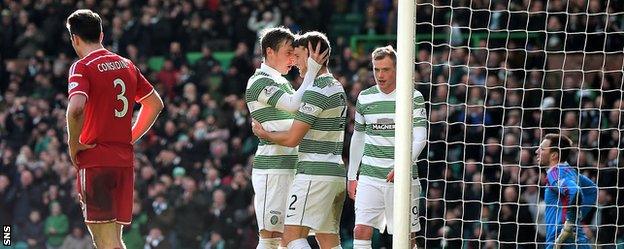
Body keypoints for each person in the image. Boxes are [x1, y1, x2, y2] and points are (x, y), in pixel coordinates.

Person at [65, 9, 164, 249]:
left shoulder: (82, 67)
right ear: (101, 34)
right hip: (123, 161)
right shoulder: (127, 65)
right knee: (114, 241)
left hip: (96, 160)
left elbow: (76, 108)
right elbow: (154, 104)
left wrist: (74, 144)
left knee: (105, 242)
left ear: (74, 39)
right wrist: (129, 137)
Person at [252, 31, 347, 249]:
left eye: (297, 54)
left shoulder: (316, 91)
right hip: (335, 172)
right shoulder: (337, 87)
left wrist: (266, 135)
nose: (294, 61)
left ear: (313, 55)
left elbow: (293, 138)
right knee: (329, 240)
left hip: (314, 173)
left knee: (290, 236)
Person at [347, 45, 427, 249]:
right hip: (369, 177)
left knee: (406, 238)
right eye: (376, 69)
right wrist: (351, 176)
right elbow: (358, 136)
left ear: (397, 69)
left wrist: (403, 166)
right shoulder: (365, 97)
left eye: (386, 69)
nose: (380, 75)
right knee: (360, 230)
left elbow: (420, 137)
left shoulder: (412, 96)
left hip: (403, 178)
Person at [536, 133, 598, 249]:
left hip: (561, 241)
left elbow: (574, 191)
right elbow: (592, 190)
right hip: (577, 240)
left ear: (554, 155)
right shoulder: (571, 171)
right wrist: (575, 218)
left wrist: (568, 222)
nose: (537, 151)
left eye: (542, 149)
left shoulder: (554, 173)